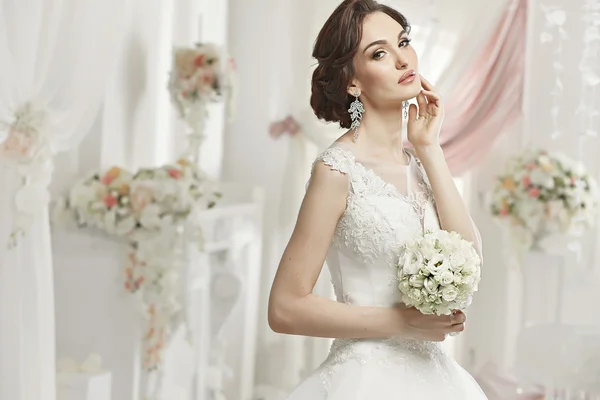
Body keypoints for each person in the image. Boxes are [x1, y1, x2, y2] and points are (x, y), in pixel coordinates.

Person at [267, 0, 487, 398]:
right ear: (353, 82)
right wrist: (402, 323)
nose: (404, 60)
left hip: (435, 378)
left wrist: (430, 148)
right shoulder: (336, 171)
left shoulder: (419, 163)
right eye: (380, 53)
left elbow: (471, 259)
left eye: (403, 42)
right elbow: (284, 307)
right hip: (365, 380)